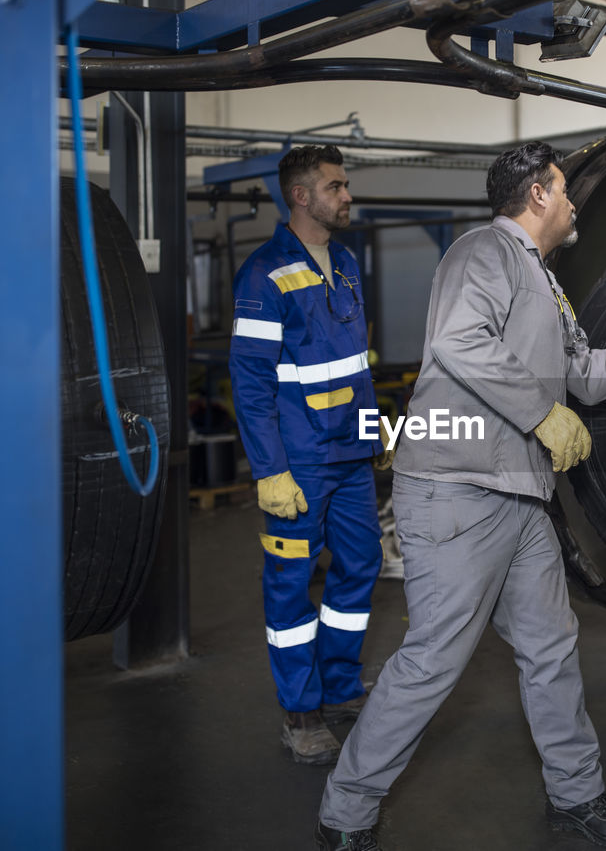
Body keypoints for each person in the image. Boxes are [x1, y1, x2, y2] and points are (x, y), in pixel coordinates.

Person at [315, 141, 606, 851]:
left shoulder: (542, 279)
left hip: (519, 493)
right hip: (458, 490)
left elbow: (581, 372)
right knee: (434, 658)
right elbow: (462, 341)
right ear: (537, 196)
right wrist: (539, 411)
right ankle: (345, 813)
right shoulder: (482, 251)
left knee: (551, 646)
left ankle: (576, 794)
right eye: (566, 189)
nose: (576, 201)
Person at [229, 144, 393, 767]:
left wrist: (374, 431)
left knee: (360, 564)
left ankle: (342, 687)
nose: (347, 195)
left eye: (345, 185)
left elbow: (358, 368)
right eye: (336, 186)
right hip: (296, 464)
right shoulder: (264, 275)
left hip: (349, 456)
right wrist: (269, 471)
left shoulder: (346, 263)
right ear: (301, 196)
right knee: (292, 586)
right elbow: (251, 381)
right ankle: (300, 709)